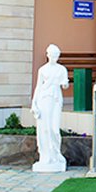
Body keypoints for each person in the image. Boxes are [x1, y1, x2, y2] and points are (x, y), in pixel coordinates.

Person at [31, 44, 69, 172]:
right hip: (44, 98)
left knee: (54, 128)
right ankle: (46, 156)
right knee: (44, 128)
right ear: (48, 55)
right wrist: (34, 103)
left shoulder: (61, 69)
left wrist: (64, 84)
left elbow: (65, 84)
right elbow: (38, 87)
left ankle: (56, 154)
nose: (54, 58)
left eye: (56, 56)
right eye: (52, 55)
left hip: (56, 99)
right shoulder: (42, 70)